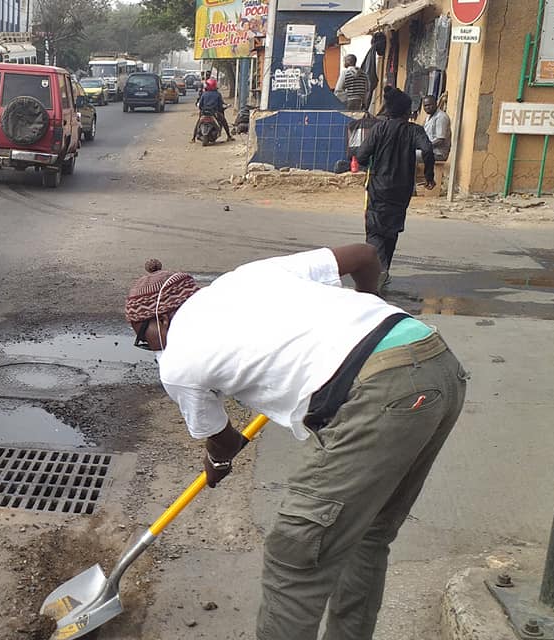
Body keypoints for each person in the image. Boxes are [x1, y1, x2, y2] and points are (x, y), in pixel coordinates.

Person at [123, 246, 466, 640]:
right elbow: (365, 256)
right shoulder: (250, 275)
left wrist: (216, 464)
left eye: (144, 339)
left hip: (380, 394)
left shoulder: (178, 362)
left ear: (162, 318)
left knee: (295, 556)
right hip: (436, 360)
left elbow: (225, 442)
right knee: (366, 535)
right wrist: (370, 316)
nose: (151, 349)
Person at [354, 87, 435, 286]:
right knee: (392, 229)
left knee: (374, 230)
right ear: (407, 112)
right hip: (402, 191)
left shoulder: (379, 129)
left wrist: (368, 162)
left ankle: (378, 270)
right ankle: (384, 269)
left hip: (378, 188)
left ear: (389, 111)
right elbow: (427, 150)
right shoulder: (415, 130)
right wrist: (429, 176)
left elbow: (361, 155)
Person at [193, 78, 233, 142]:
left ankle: (193, 138)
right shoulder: (217, 94)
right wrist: (222, 108)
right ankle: (229, 136)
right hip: (214, 113)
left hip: (204, 113)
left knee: (198, 123)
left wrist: (202, 110)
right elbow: (220, 105)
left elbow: (200, 105)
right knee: (224, 121)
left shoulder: (204, 94)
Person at [421, 95, 451, 161]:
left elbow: (440, 140)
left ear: (435, 104)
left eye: (429, 105)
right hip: (429, 151)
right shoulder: (428, 118)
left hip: (438, 153)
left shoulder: (441, 117)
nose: (427, 107)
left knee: (410, 155)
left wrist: (425, 146)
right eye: (425, 106)